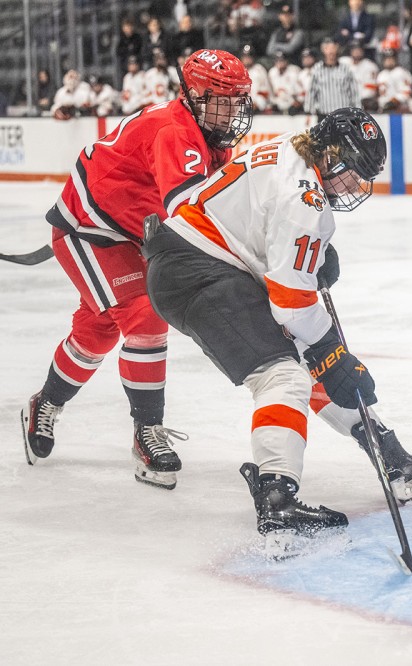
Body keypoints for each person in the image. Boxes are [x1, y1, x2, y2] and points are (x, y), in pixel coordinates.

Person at [143, 109, 412, 539]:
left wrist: (308, 256)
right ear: (330, 155)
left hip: (199, 261)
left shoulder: (294, 145)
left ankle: (386, 448)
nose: (355, 186)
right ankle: (277, 496)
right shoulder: (306, 204)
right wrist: (334, 353)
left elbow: (259, 218)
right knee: (285, 375)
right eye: (352, 173)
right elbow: (292, 306)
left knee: (302, 359)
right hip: (198, 273)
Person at [21, 49, 253, 491]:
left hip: (131, 230)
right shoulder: (176, 133)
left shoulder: (209, 133)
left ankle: (45, 402)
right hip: (89, 227)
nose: (232, 109)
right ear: (195, 95)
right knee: (145, 312)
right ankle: (147, 431)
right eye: (222, 98)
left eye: (237, 99)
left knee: (99, 329)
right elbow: (191, 217)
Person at [306, 37, 360, 115]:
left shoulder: (345, 69)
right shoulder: (317, 69)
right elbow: (312, 91)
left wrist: (358, 109)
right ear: (323, 50)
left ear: (337, 50)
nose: (331, 51)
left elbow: (353, 91)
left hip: (344, 114)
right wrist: (309, 110)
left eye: (333, 48)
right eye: (328, 48)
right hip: (324, 114)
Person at [343, 40, 380, 112]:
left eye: (359, 49)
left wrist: (357, 102)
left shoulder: (370, 66)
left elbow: (370, 90)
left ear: (363, 51)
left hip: (364, 103)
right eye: (354, 49)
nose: (356, 52)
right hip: (345, 102)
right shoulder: (343, 63)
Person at [239, 43, 272, 113]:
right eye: (245, 56)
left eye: (249, 56)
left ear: (253, 57)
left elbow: (265, 92)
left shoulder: (259, 70)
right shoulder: (238, 71)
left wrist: (256, 104)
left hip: (258, 108)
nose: (247, 59)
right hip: (241, 107)